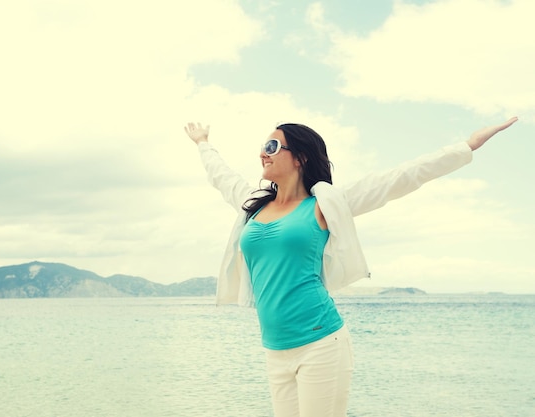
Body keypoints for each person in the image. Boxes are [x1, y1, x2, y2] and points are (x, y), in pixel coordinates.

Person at [183, 117, 518, 417]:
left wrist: (466, 146)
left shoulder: (325, 203)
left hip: (321, 344)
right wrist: (203, 144)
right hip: (275, 349)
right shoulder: (253, 205)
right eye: (262, 147)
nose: (263, 153)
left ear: (300, 157)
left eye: (272, 146)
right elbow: (222, 177)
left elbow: (398, 179)